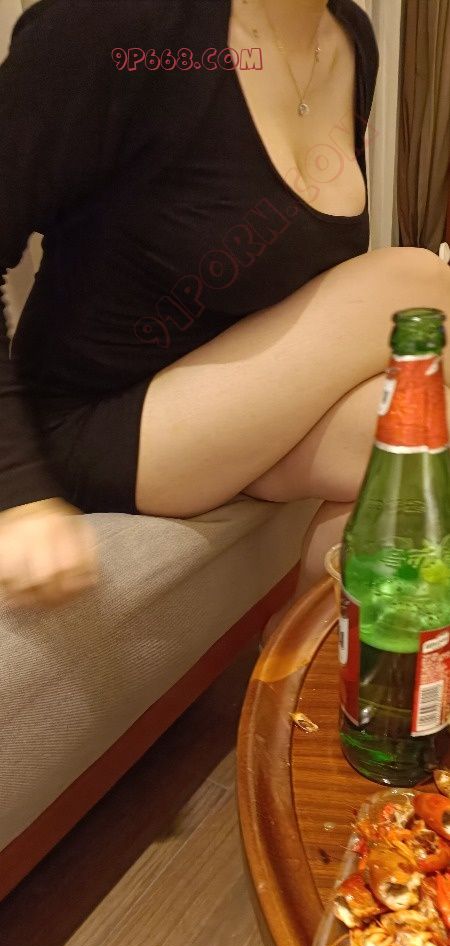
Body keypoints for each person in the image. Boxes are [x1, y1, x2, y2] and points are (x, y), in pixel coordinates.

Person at [0, 0, 449, 638]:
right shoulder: (117, 27)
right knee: (417, 282)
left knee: (425, 445)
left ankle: (296, 673)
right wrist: (17, 495)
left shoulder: (350, 37)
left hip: (224, 413)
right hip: (92, 422)